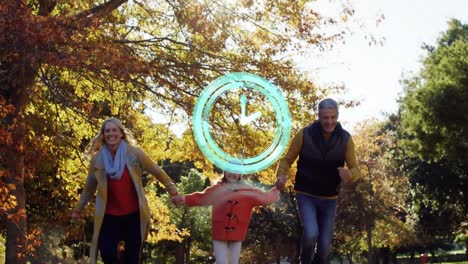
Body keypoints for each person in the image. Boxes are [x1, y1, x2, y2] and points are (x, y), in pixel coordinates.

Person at [71, 117, 183, 264]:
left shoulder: (134, 153)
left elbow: (157, 171)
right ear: (103, 135)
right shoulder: (98, 160)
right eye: (107, 131)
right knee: (107, 254)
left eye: (114, 130)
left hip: (133, 215)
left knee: (132, 258)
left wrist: (173, 192)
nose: (111, 134)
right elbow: (88, 188)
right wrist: (78, 210)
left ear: (121, 133)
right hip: (109, 216)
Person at [275, 98, 361, 264]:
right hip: (306, 194)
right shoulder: (304, 134)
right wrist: (281, 175)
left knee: (324, 250)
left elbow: (356, 169)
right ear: (319, 116)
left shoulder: (345, 139)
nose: (329, 122)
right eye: (325, 118)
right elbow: (287, 159)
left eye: (333, 117)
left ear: (337, 116)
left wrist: (349, 175)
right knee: (311, 233)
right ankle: (304, 261)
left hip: (329, 199)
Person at [182, 164, 280, 264]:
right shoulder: (217, 189)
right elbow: (201, 198)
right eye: (229, 170)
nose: (232, 173)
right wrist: (183, 199)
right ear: (225, 171)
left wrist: (277, 189)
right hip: (220, 231)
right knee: (222, 262)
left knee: (233, 262)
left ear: (240, 174)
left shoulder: (248, 191)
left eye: (236, 171)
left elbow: (264, 198)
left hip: (237, 231)